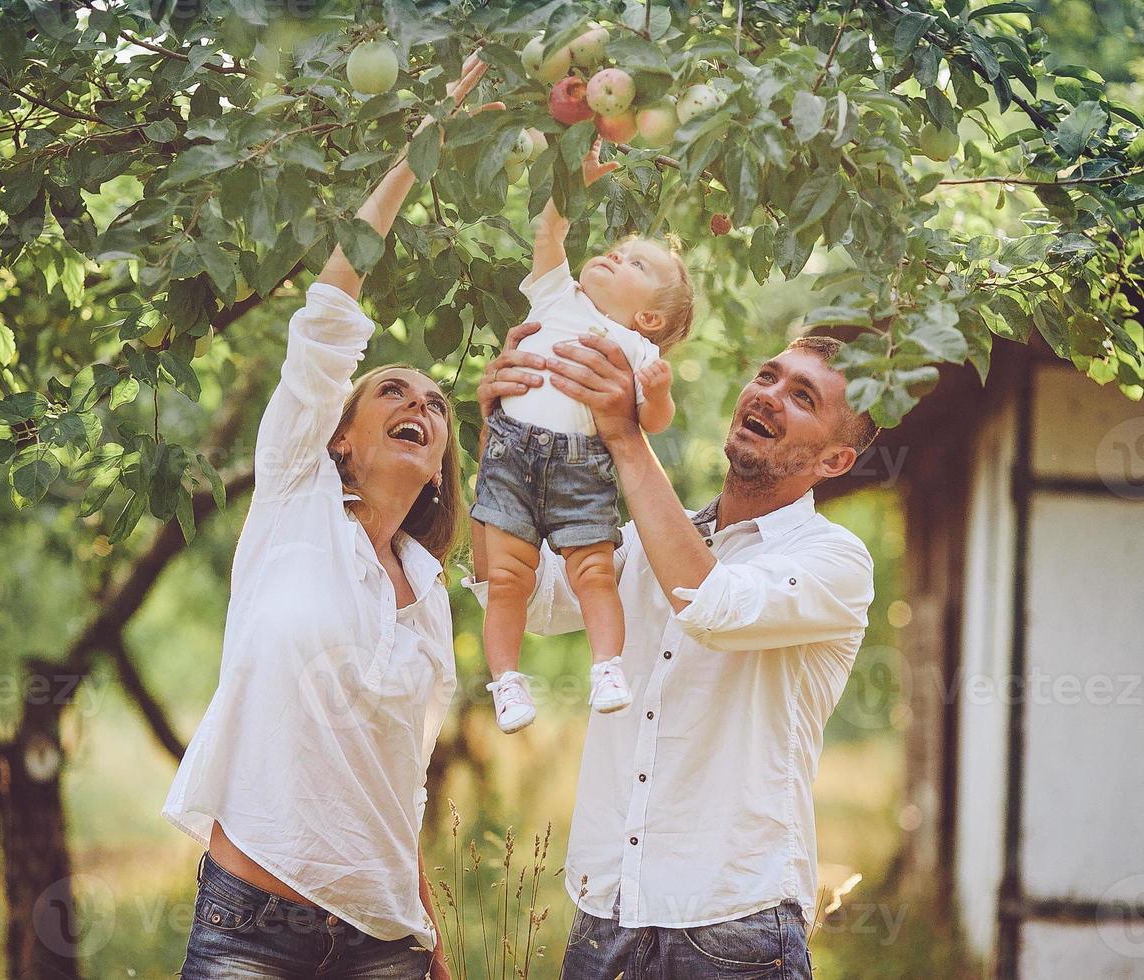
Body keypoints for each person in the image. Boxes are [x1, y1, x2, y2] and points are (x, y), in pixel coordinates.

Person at [163, 56, 496, 980]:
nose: (422, 408)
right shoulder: (293, 504)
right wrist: (431, 132)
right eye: (394, 390)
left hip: (384, 940)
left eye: (435, 410)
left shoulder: (429, 595)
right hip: (249, 929)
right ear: (340, 437)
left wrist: (427, 935)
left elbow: (399, 784)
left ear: (436, 471)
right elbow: (331, 312)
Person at [467, 327, 878, 979]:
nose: (769, 395)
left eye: (803, 396)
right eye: (767, 376)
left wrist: (626, 437)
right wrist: (502, 439)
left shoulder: (835, 560)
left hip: (736, 926)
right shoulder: (646, 538)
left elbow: (708, 602)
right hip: (606, 913)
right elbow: (521, 592)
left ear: (834, 461)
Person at [473, 138, 693, 734]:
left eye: (637, 266)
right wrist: (572, 180)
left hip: (580, 465)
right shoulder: (555, 294)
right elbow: (549, 232)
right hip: (510, 453)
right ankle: (507, 684)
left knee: (594, 570)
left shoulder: (636, 349)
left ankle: (607, 666)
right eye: (619, 251)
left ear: (647, 318)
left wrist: (662, 391)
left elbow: (651, 422)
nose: (617, 258)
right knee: (506, 577)